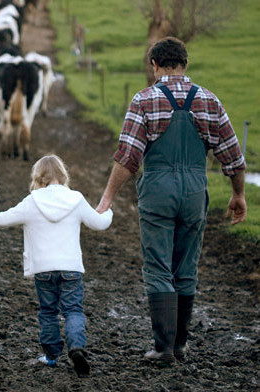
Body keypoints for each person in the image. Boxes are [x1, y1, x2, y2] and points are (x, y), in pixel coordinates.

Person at [96, 37, 247, 364]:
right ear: (185, 65)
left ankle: (163, 347)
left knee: (159, 265)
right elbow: (233, 156)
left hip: (158, 191)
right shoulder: (209, 100)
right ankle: (180, 344)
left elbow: (128, 157)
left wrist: (107, 197)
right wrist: (238, 194)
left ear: (154, 65)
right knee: (186, 267)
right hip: (194, 190)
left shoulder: (144, 100)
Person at [0, 155, 113, 378]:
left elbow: (0, 220)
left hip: (43, 270)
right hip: (71, 268)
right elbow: (99, 223)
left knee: (49, 312)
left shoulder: (32, 201)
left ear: (38, 177)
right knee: (73, 310)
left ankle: (51, 356)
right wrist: (107, 211)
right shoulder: (76, 199)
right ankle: (77, 348)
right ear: (63, 176)